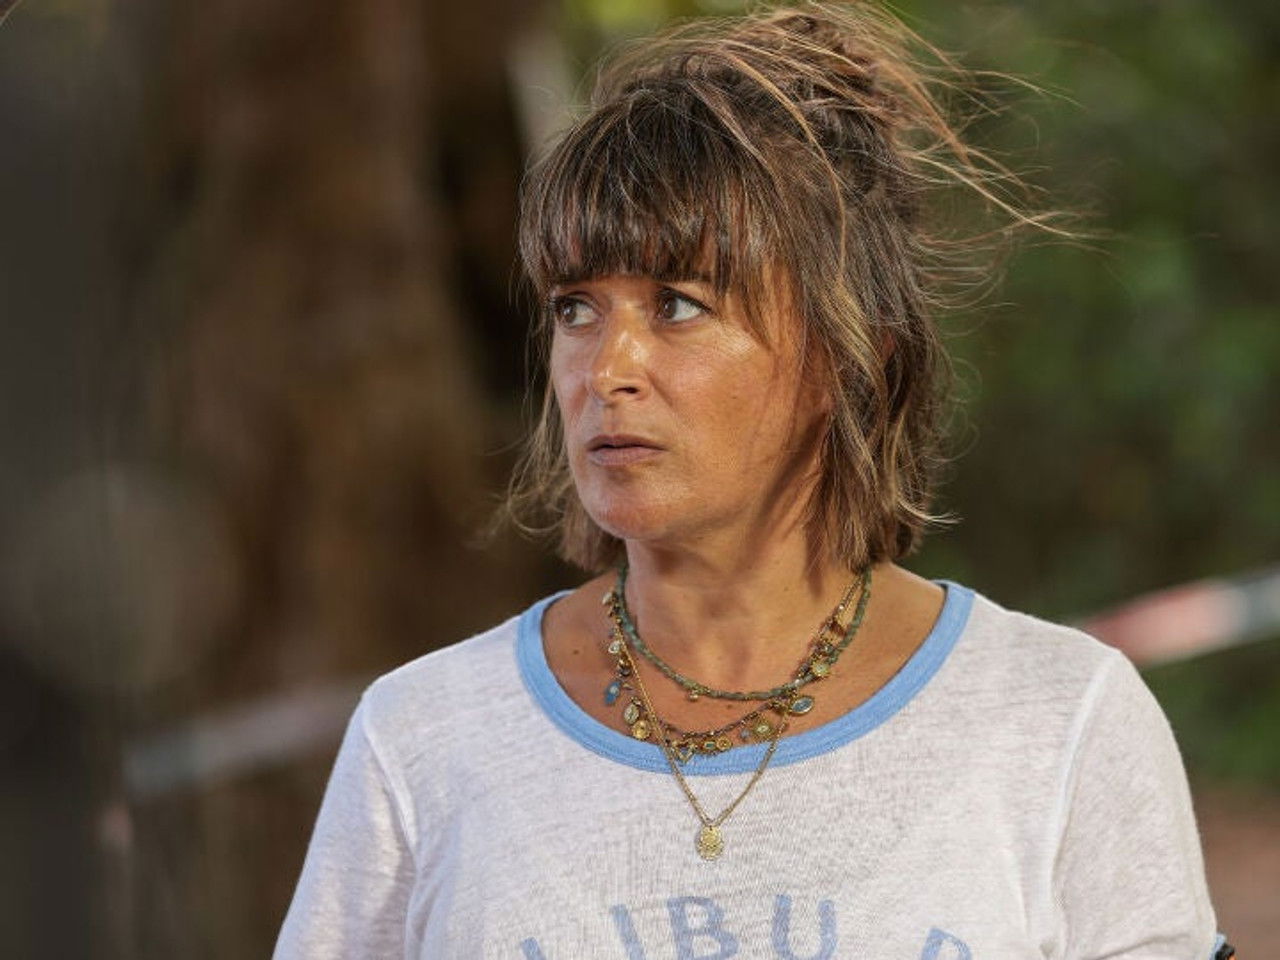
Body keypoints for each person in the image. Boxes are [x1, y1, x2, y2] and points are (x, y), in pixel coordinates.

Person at [275, 3, 1233, 957]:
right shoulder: (426, 741)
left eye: (677, 304)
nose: (606, 369)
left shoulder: (1057, 723)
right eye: (576, 309)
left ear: (847, 356)